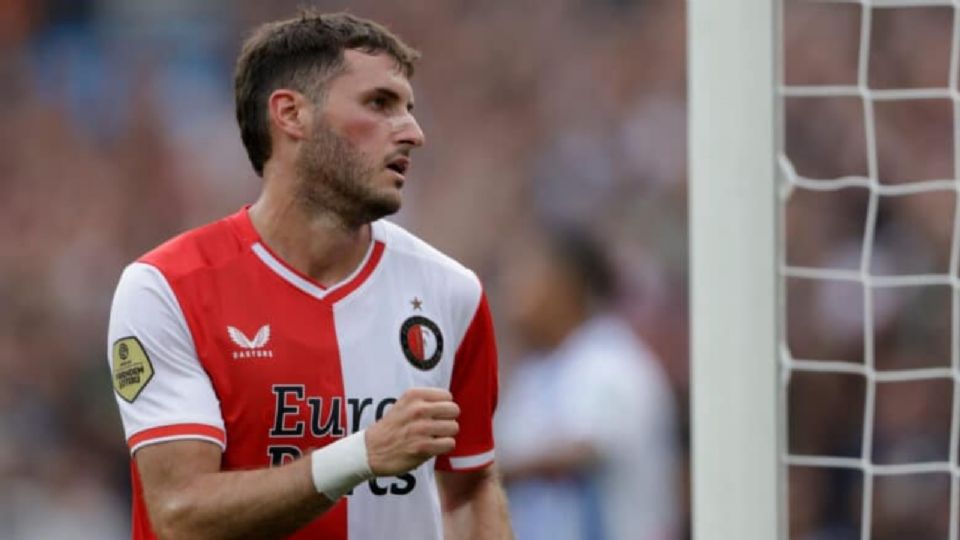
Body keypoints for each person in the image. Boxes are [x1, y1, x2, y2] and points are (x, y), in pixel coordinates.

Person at [106, 10, 513, 540]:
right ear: (291, 115)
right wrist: (361, 454)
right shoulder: (165, 289)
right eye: (380, 104)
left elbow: (471, 486)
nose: (414, 132)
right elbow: (181, 513)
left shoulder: (451, 292)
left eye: (409, 108)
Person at [496, 225, 678, 540]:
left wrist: (484, 472)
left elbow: (584, 451)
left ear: (565, 284)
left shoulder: (612, 359)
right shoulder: (534, 376)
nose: (510, 292)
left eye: (524, 275)